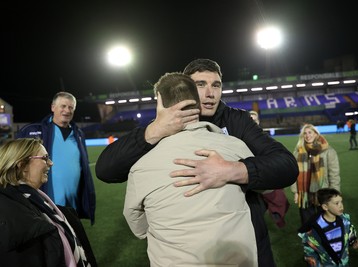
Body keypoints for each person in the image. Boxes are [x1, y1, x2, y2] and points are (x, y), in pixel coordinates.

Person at [96, 58, 299, 266]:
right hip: (184, 250)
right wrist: (154, 130)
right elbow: (106, 170)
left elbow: (287, 166)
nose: (210, 93)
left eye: (216, 85)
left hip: (248, 243)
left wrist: (233, 170)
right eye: (200, 85)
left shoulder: (236, 121)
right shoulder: (163, 127)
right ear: (188, 89)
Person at [124, 72, 258, 266]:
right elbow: (265, 185)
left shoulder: (140, 166)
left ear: (160, 103)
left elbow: (137, 225)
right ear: (197, 102)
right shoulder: (236, 146)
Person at [0, 138, 97, 267]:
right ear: (22, 165)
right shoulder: (11, 216)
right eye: (44, 158)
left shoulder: (37, 201)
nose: (50, 163)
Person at [16, 91, 96, 224]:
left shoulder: (79, 134)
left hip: (73, 205)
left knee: (72, 239)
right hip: (45, 203)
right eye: (63, 106)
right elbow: (16, 163)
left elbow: (84, 166)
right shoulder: (33, 130)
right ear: (53, 107)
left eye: (71, 107)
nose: (67, 110)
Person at [290, 123, 340, 226]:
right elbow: (294, 174)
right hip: (304, 195)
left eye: (310, 132)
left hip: (323, 193)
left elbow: (334, 175)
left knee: (325, 224)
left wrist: (335, 194)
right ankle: (309, 242)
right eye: (305, 133)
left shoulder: (328, 151)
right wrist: (296, 192)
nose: (308, 135)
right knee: (307, 224)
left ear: (316, 134)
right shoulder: (297, 152)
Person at [298, 188, 358, 266]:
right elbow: (309, 251)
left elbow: (350, 229)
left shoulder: (344, 220)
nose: (341, 206)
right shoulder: (314, 229)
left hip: (344, 263)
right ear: (325, 207)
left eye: (341, 202)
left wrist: (353, 240)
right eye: (337, 203)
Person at [249, 110, 290, 228]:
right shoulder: (239, 137)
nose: (253, 122)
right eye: (250, 120)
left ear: (259, 121)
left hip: (264, 179)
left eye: (255, 120)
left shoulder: (265, 138)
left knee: (271, 203)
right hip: (250, 181)